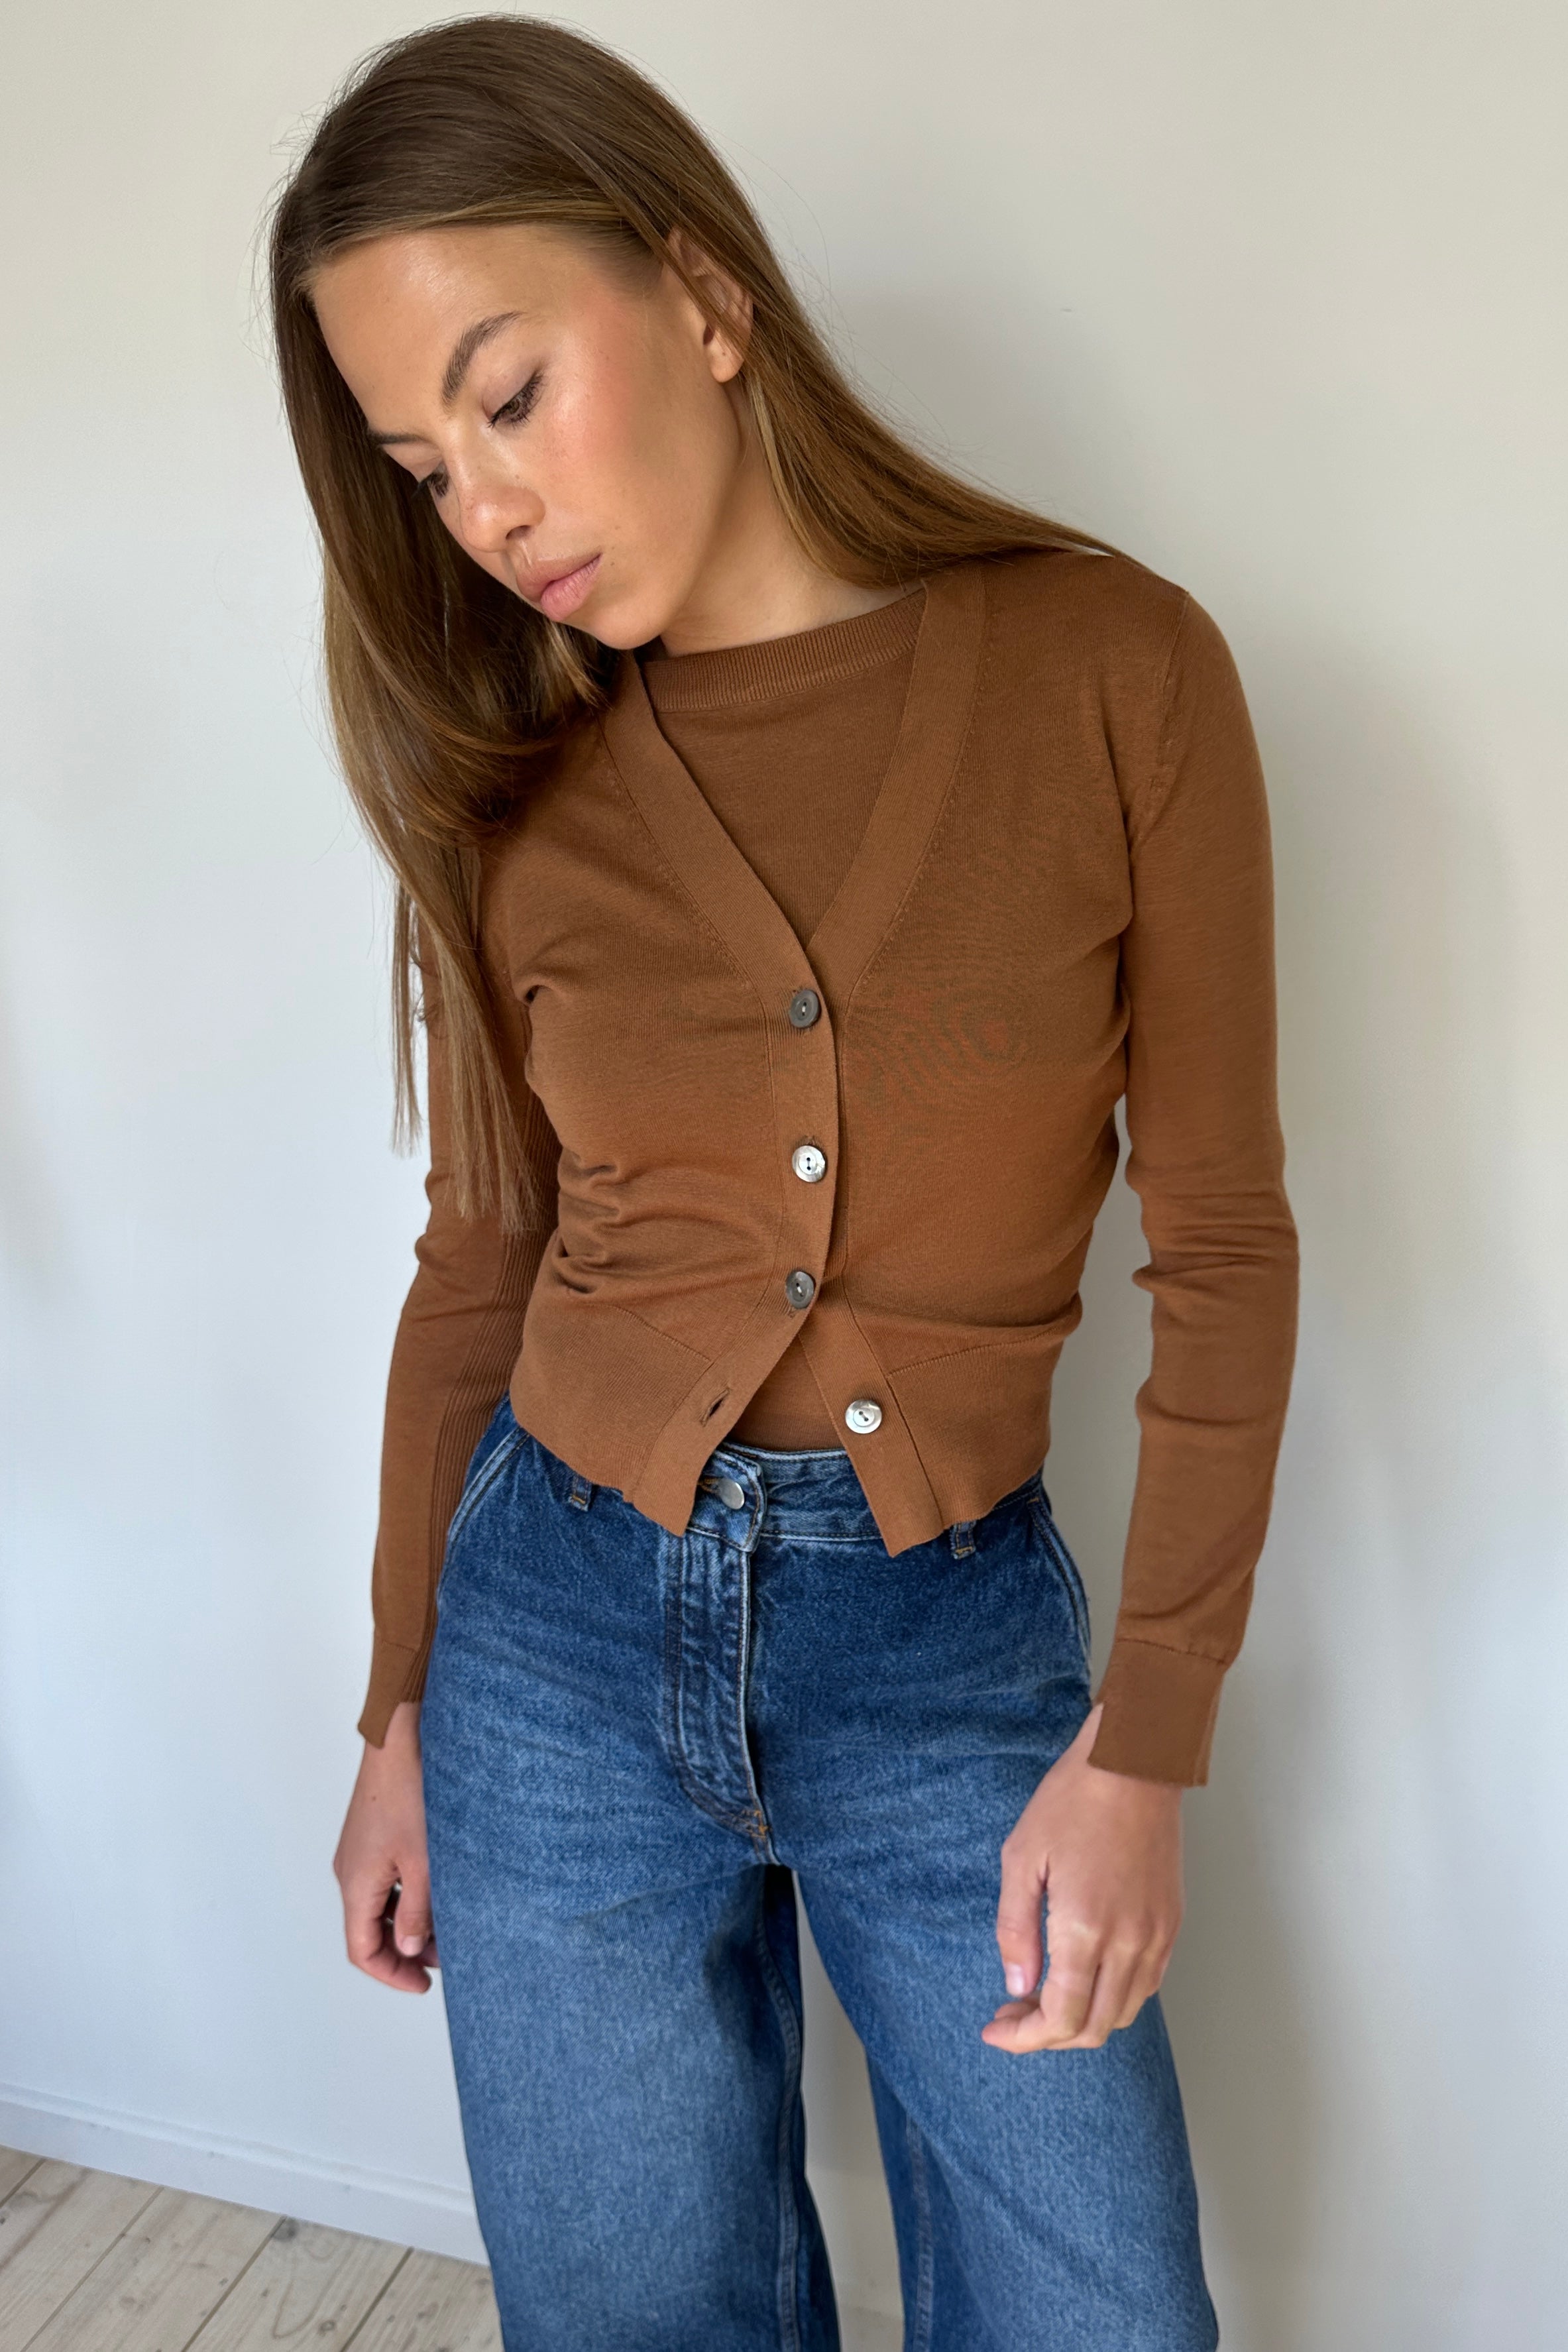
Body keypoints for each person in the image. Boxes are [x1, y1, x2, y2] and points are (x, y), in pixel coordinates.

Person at [268, 15, 1298, 2348]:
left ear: (704, 297)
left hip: (950, 1648)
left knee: (1098, 2316)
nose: (489, 507)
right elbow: (484, 1263)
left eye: (510, 395)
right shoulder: (506, 787)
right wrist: (401, 1703)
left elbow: (1222, 1245)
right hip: (544, 1633)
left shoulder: (1118, 672)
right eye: (424, 466)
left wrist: (1145, 1745)